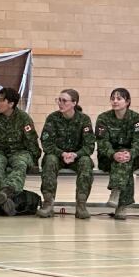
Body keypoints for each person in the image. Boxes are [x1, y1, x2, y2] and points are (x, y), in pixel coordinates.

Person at [0, 87, 41, 216]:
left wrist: (35, 159)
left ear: (11, 104)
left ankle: (5, 192)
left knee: (20, 164)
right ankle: (4, 200)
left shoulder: (23, 118)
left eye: (1, 100)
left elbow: (31, 141)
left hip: (19, 151)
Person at [37, 89, 95, 220]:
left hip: (77, 157)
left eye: (64, 101)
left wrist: (75, 154)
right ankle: (48, 204)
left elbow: (89, 145)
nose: (60, 103)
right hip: (58, 156)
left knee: (86, 161)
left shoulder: (84, 119)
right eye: (59, 100)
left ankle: (81, 205)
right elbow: (47, 143)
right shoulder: (52, 118)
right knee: (50, 160)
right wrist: (62, 153)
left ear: (74, 103)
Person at [95, 88, 139, 220]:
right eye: (113, 98)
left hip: (132, 157)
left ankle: (116, 192)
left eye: (119, 98)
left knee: (125, 158)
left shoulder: (137, 119)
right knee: (123, 161)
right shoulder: (103, 118)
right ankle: (122, 206)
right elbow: (102, 142)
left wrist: (131, 153)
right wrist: (112, 154)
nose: (115, 101)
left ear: (127, 102)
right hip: (107, 158)